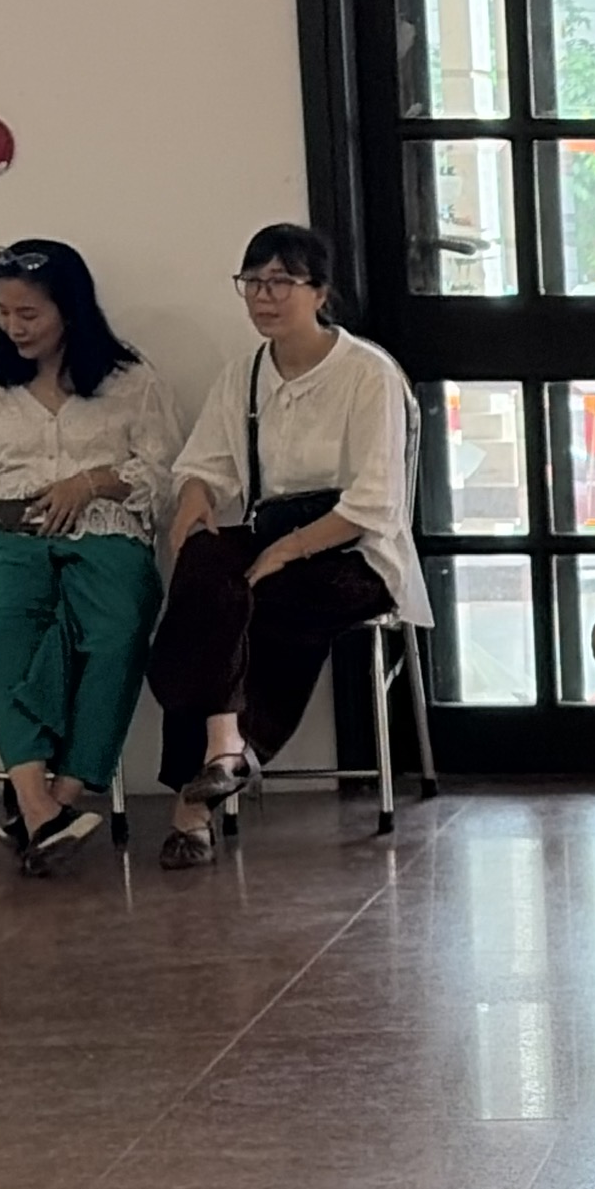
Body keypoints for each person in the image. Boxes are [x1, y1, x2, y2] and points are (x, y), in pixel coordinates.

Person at [148, 224, 431, 870]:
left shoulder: (368, 374)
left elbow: (375, 503)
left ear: (320, 292)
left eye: (280, 282)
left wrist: (288, 550)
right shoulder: (244, 375)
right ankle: (226, 746)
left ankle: (193, 808)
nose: (263, 297)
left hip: (357, 552)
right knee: (205, 568)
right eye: (252, 283)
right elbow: (207, 464)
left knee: (243, 599)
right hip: (272, 533)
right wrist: (193, 500)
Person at [0, 241, 178, 874]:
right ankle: (36, 804)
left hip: (106, 531)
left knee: (118, 626)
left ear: (70, 310)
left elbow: (163, 475)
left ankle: (63, 799)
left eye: (29, 313)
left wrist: (93, 482)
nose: (14, 327)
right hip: (10, 538)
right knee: (3, 621)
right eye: (2, 312)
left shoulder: (132, 382)